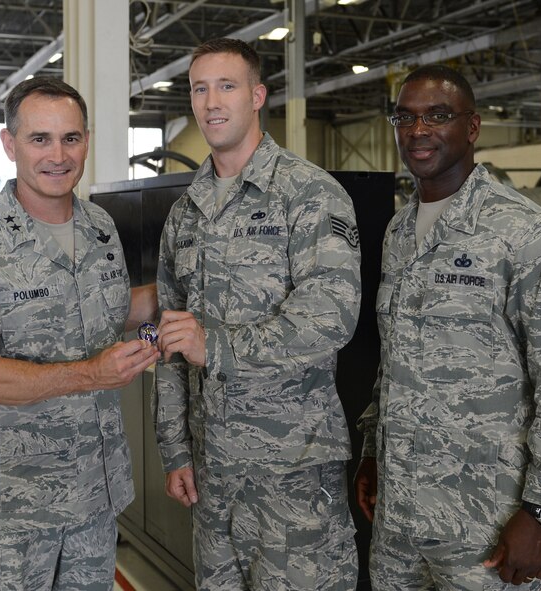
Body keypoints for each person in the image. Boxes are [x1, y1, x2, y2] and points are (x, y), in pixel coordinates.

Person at [354, 65, 541, 590]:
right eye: (406, 117)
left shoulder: (525, 233)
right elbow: (396, 359)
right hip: (400, 524)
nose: (418, 131)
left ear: (472, 128)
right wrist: (374, 451)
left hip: (486, 524)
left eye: (437, 116)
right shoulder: (400, 231)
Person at [0, 77, 160, 590]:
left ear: (86, 141)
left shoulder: (100, 228)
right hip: (8, 511)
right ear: (10, 144)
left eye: (71, 138)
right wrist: (91, 374)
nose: (58, 155)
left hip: (94, 498)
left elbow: (110, 308)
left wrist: (189, 291)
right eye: (40, 139)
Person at [153, 38, 361, 590]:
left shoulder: (310, 195)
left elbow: (331, 318)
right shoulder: (185, 212)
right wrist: (175, 448)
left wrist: (216, 346)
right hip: (213, 472)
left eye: (227, 86)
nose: (212, 102)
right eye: (200, 89)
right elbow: (171, 342)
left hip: (292, 472)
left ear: (257, 96)